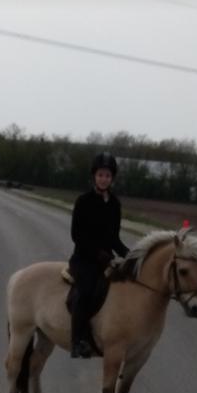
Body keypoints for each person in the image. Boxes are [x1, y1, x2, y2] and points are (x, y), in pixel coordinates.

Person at [68, 152, 129, 358]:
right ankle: (77, 340)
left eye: (108, 175)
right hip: (83, 259)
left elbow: (114, 238)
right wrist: (98, 253)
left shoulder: (115, 204)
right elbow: (77, 235)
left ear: (112, 179)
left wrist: (130, 254)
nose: (104, 179)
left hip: (106, 260)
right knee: (85, 292)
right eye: (101, 174)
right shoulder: (83, 201)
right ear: (94, 176)